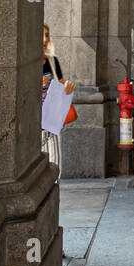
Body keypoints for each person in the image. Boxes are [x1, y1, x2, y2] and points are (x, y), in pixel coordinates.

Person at [41, 24, 76, 179]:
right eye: (41, 35)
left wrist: (67, 90)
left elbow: (62, 87)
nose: (44, 39)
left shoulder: (52, 62)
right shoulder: (24, 64)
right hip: (31, 128)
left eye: (47, 35)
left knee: (55, 169)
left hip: (51, 125)